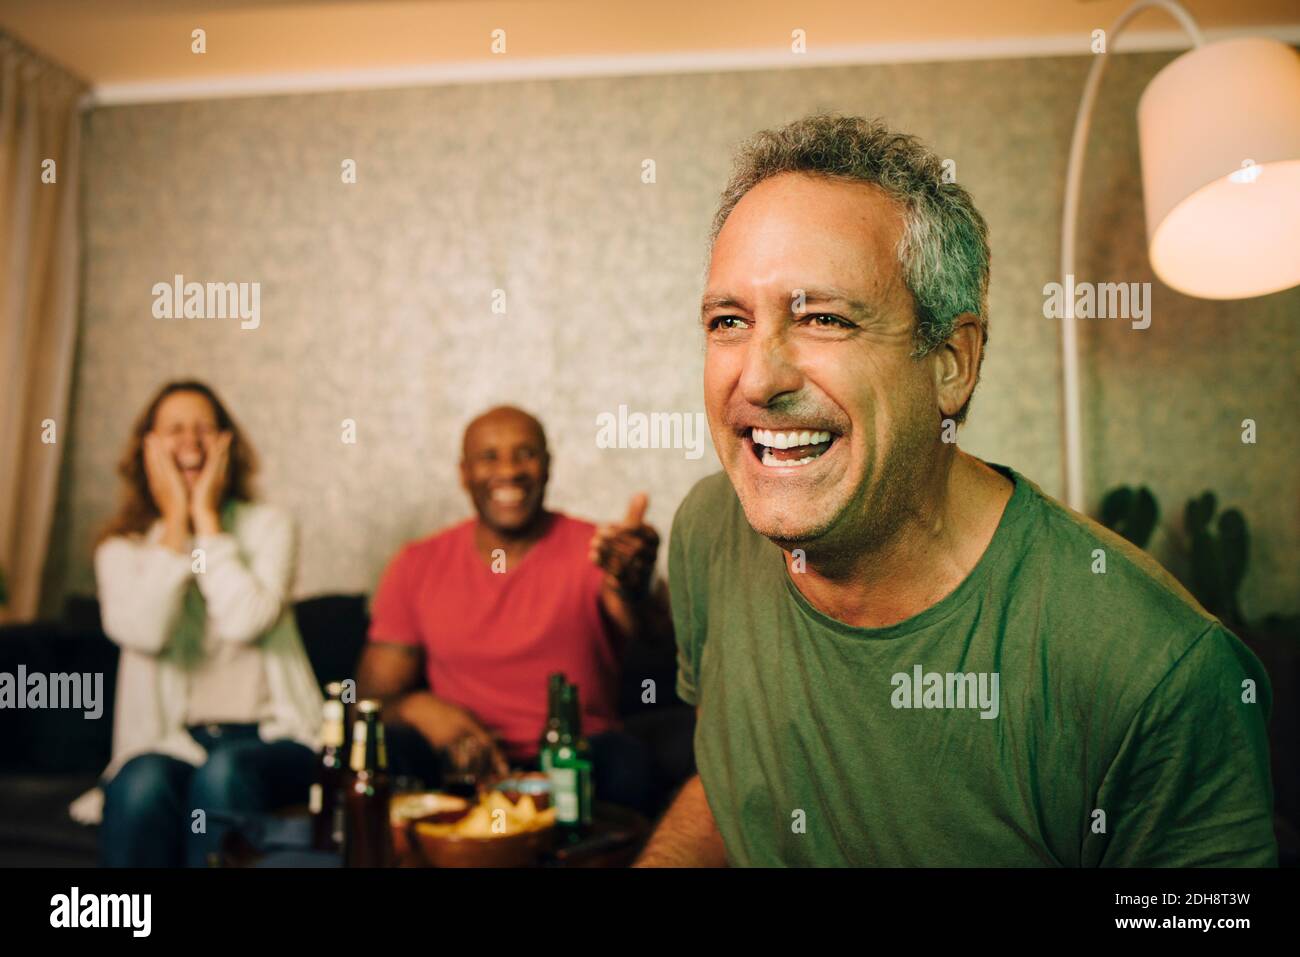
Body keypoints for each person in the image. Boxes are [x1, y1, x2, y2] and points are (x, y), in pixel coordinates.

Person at [635, 114, 1276, 867]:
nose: (758, 375)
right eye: (729, 320)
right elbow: (736, 781)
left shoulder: (1160, 671)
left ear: (950, 363)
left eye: (824, 317)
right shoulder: (712, 527)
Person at [357, 405, 669, 813]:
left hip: (578, 759)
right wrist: (422, 709)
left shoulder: (597, 549)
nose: (509, 470)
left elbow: (653, 636)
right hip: (463, 762)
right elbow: (372, 698)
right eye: (489, 456)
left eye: (526, 453)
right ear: (464, 473)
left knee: (627, 760)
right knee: (389, 748)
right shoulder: (417, 563)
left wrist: (634, 586)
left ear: (547, 467)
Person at [70, 381, 322, 867]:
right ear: (148, 448)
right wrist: (175, 526)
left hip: (273, 737)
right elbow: (146, 630)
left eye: (204, 428)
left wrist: (206, 520)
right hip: (173, 742)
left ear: (227, 445)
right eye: (175, 430)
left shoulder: (271, 527)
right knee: (139, 783)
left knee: (225, 772)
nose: (191, 441)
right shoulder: (121, 549)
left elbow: (245, 620)